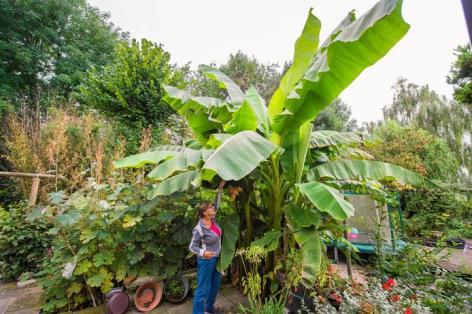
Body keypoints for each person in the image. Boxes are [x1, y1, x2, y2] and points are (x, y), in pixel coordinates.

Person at [189, 180, 226, 314]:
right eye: (210, 208)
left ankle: (208, 308)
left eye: (212, 207)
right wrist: (203, 253)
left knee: (215, 285)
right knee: (202, 289)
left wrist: (220, 188)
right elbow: (192, 247)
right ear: (204, 212)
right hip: (206, 261)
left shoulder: (213, 220)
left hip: (216, 258)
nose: (213, 209)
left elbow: (217, 203)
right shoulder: (199, 228)